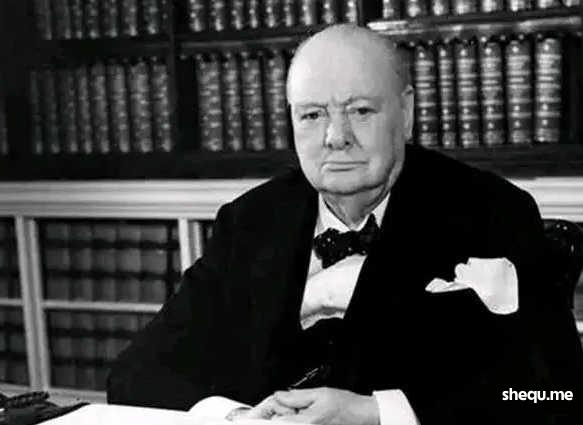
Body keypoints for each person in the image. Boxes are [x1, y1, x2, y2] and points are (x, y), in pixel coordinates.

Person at [107, 24, 583, 424]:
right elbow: (135, 372)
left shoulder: (492, 210)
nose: (336, 137)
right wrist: (235, 416)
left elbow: (555, 392)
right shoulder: (249, 220)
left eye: (361, 111)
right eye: (313, 115)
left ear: (406, 113)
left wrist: (380, 413)